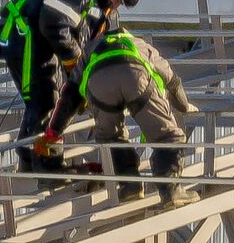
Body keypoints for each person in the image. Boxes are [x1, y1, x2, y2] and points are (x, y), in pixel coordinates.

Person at [0, 0, 137, 173]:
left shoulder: (94, 3)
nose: (117, 5)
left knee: (43, 100)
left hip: (35, 41)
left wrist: (79, 75)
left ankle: (29, 160)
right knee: (46, 99)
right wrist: (75, 66)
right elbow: (53, 24)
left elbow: (79, 40)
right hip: (27, 39)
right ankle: (46, 165)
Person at [33, 24, 198, 207]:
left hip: (99, 86)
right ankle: (170, 190)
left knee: (110, 138)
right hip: (135, 79)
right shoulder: (139, 44)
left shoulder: (89, 51)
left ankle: (130, 185)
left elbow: (70, 95)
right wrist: (184, 107)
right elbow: (172, 80)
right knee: (168, 136)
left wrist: (54, 131)